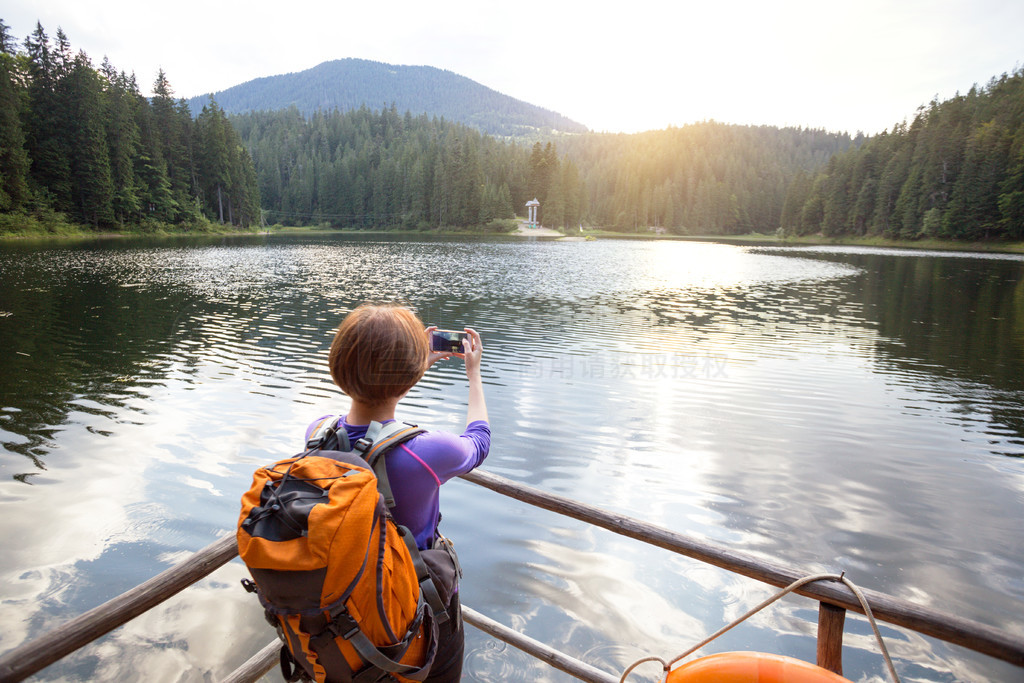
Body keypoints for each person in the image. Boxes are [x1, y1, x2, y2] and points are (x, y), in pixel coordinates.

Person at [304, 303, 490, 683]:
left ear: (338, 368)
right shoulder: (429, 452)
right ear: (408, 379)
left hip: (345, 609)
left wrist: (409, 368)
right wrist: (474, 376)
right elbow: (479, 441)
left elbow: (370, 402)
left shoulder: (317, 433)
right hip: (416, 615)